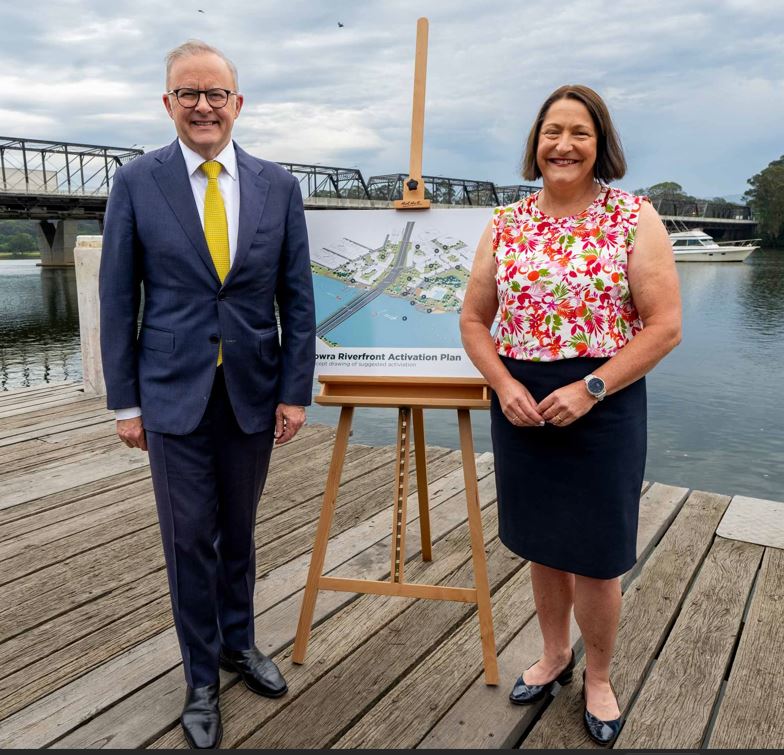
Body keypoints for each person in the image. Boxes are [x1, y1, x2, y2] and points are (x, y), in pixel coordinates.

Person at [99, 40, 316, 749]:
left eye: (215, 94)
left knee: (242, 532)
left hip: (253, 391)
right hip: (171, 394)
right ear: (167, 104)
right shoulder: (137, 184)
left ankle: (238, 642)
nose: (202, 106)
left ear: (237, 104)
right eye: (187, 94)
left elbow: (297, 299)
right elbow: (116, 298)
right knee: (189, 537)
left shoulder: (278, 187)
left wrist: (295, 390)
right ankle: (199, 679)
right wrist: (125, 403)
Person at [460, 84, 681, 746]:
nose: (563, 144)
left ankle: (601, 675)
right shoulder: (505, 223)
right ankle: (555, 655)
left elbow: (664, 325)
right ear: (536, 144)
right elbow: (473, 320)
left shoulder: (633, 218)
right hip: (523, 406)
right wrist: (502, 383)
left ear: (600, 144)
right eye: (552, 132)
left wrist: (591, 385)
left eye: (579, 133)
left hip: (601, 403)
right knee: (542, 544)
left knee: (596, 555)